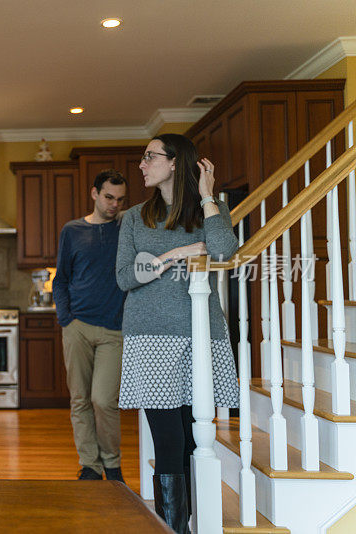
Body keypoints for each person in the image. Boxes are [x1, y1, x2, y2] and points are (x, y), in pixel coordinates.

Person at [116, 134, 239, 533]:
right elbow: (124, 278)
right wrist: (175, 256)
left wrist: (208, 195)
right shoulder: (135, 216)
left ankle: (189, 522)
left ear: (174, 163)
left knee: (191, 439)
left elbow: (223, 251)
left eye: (149, 156)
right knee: (169, 443)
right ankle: (173, 529)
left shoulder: (211, 210)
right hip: (151, 339)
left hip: (202, 337)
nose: (141, 164)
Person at [53, 169, 128, 482]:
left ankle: (112, 464)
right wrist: (66, 319)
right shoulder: (72, 230)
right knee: (80, 400)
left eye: (120, 200)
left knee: (103, 400)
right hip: (78, 327)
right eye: (108, 197)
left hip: (115, 329)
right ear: (95, 193)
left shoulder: (127, 227)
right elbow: (61, 278)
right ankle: (90, 466)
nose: (113, 204)